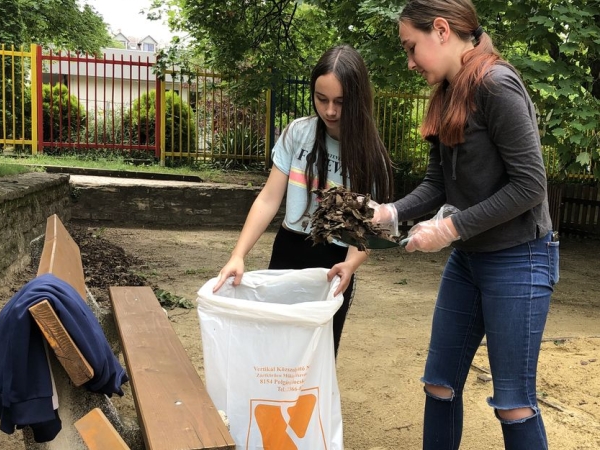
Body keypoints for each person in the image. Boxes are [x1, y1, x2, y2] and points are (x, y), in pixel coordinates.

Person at [370, 1, 559, 449]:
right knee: (439, 383)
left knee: (513, 401)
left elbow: (531, 185)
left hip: (520, 259)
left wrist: (450, 230)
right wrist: (392, 213)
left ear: (440, 30)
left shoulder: (497, 84)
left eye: (411, 48)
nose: (410, 61)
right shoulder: (448, 93)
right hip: (470, 261)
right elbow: (440, 183)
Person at [212, 44, 394, 355]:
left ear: (358, 100)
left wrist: (350, 265)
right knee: (274, 348)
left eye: (341, 102)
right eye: (322, 99)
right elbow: (269, 199)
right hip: (288, 248)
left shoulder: (371, 155)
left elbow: (369, 230)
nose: (330, 111)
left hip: (334, 263)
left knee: (317, 354)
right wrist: (238, 254)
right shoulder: (298, 133)